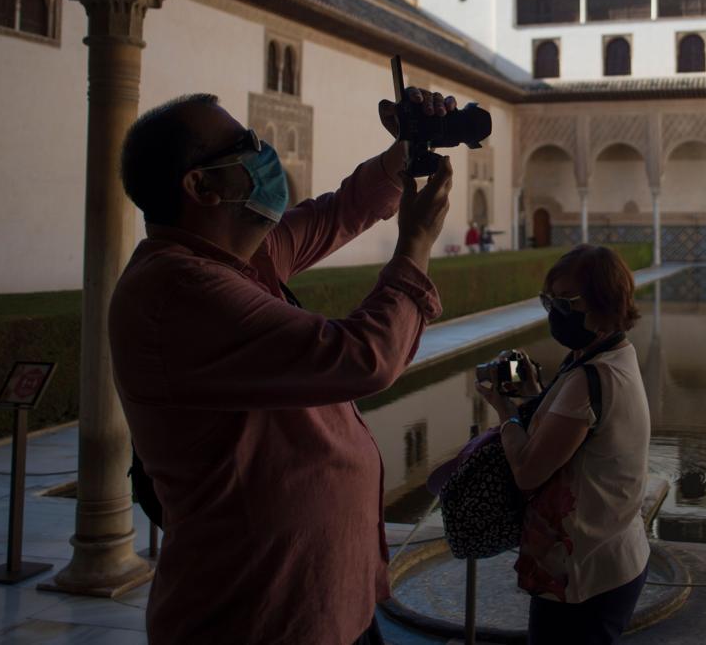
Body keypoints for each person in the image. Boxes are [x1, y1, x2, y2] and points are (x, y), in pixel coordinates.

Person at [109, 88, 456, 645]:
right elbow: (364, 357)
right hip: (258, 617)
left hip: (322, 605)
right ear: (200, 186)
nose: (262, 150)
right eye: (243, 145)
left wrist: (404, 153)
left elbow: (339, 212)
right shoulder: (179, 289)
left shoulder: (238, 259)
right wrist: (415, 244)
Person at [475, 245, 650, 645]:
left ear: (604, 303)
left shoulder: (589, 378)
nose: (555, 312)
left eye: (565, 303)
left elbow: (527, 472)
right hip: (615, 556)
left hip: (585, 577)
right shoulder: (611, 354)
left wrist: (506, 413)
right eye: (548, 301)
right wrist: (536, 397)